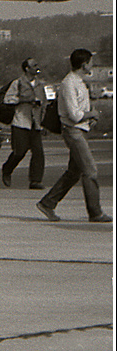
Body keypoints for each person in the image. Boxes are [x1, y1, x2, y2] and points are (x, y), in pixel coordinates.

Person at [36, 49, 112, 224]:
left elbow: (80, 111)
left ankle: (47, 203)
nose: (92, 65)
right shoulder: (69, 83)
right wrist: (91, 114)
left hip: (80, 130)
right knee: (90, 170)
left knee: (74, 172)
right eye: (90, 62)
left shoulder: (78, 82)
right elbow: (74, 115)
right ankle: (95, 212)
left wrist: (90, 117)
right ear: (84, 64)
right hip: (73, 131)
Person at [0, 58, 46, 189]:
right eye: (34, 65)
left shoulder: (40, 85)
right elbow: (8, 99)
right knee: (20, 151)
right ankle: (7, 169)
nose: (37, 67)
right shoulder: (18, 83)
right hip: (21, 122)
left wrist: (43, 121)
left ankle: (35, 180)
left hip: (35, 123)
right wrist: (23, 99)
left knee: (38, 152)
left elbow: (44, 104)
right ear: (27, 68)